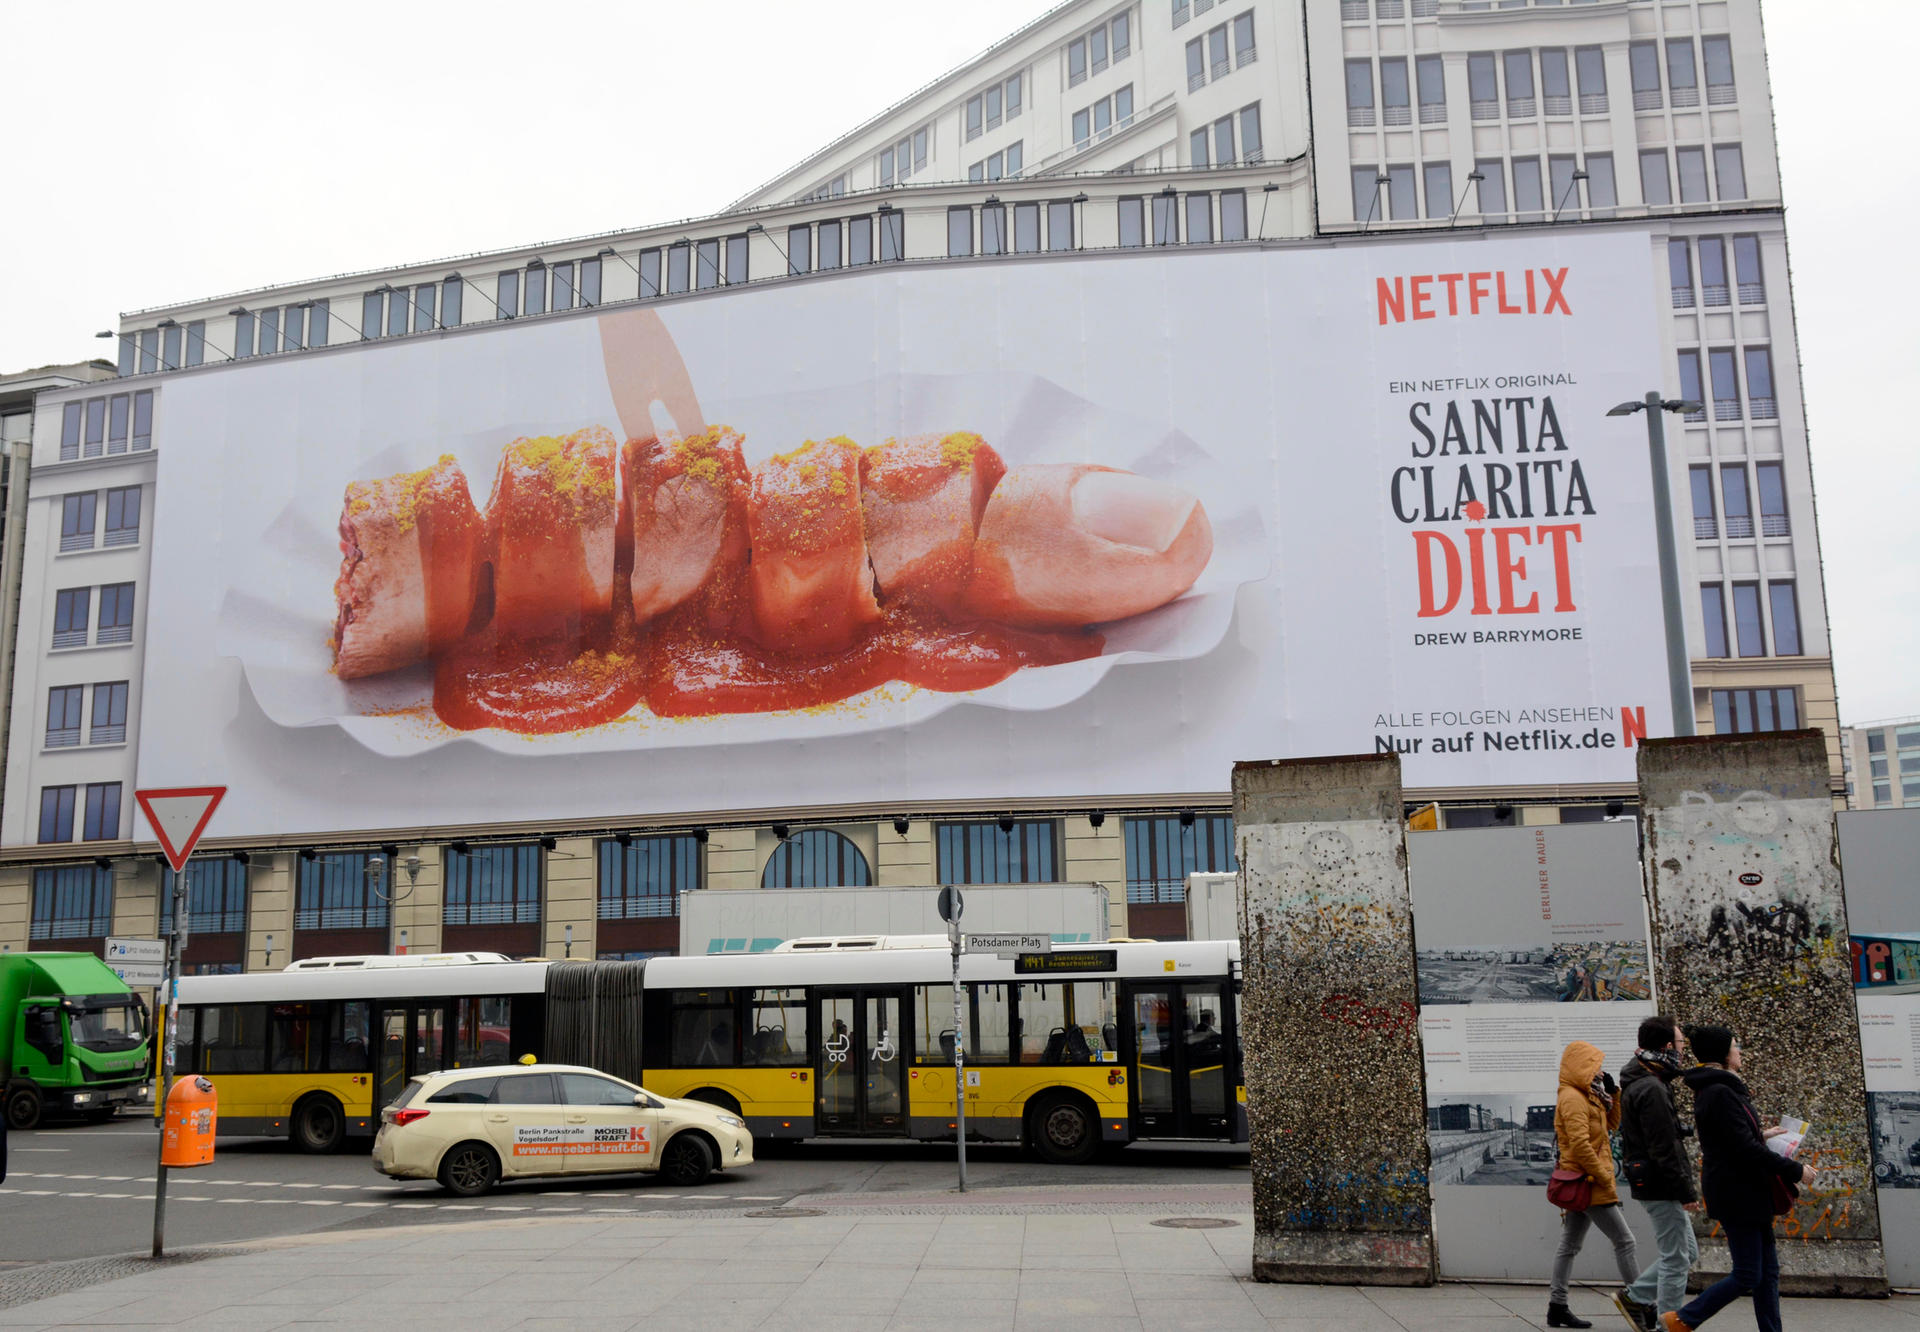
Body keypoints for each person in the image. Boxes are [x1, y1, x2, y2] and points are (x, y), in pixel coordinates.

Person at [1659, 1026, 1815, 1332]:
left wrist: (1761, 1134)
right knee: (1747, 1274)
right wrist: (1795, 1170)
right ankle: (1681, 1320)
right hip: (1737, 1194)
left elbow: (1730, 1139)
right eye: (1735, 1046)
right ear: (1723, 1055)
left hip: (1749, 1191)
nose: (1739, 1051)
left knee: (1767, 1272)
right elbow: (1743, 1149)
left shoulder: (1722, 1088)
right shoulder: (1719, 1091)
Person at [1547, 1039, 1640, 1329]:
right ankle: (1641, 1304)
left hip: (1586, 1179)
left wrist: (1614, 1093)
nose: (1600, 1070)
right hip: (1587, 1180)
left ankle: (1557, 1307)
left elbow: (1611, 1125)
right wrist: (1602, 1176)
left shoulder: (1590, 1095)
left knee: (1569, 1245)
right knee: (1625, 1241)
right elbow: (1579, 1144)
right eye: (1595, 1065)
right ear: (1581, 1066)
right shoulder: (1572, 1098)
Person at [1615, 1017, 1699, 1330]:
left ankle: (1635, 1296)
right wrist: (1685, 1191)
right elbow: (1664, 1148)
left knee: (1687, 1252)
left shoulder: (1645, 1079)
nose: (1682, 1050)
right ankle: (1668, 1324)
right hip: (1660, 1183)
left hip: (1653, 1179)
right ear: (1667, 1046)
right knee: (1676, 1257)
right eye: (1680, 1044)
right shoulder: (1651, 1087)